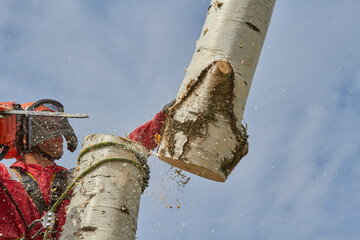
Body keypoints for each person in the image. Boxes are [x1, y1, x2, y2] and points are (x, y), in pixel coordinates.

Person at [0, 99, 173, 239]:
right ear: (23, 137)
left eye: (60, 129)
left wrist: (162, 121)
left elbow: (119, 153)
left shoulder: (76, 179)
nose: (59, 136)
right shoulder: (6, 178)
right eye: (49, 128)